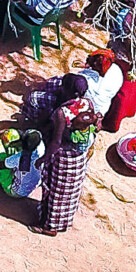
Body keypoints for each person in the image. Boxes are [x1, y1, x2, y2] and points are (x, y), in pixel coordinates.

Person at [38, 78, 97, 235]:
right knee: (69, 192)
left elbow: (56, 142)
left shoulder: (62, 113)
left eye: (64, 86)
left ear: (70, 92)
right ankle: (62, 222)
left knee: (55, 191)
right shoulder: (88, 103)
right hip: (80, 157)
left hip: (64, 158)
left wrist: (42, 159)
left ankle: (49, 227)